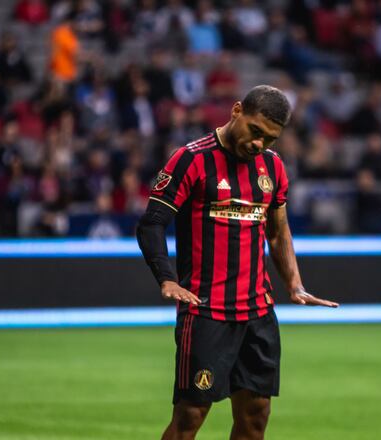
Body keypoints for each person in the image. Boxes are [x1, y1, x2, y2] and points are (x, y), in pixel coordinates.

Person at [136, 85, 338, 440]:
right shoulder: (191, 159)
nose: (260, 144)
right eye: (256, 131)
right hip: (206, 310)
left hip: (258, 313)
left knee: (256, 417)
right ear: (236, 111)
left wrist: (294, 283)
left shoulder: (272, 167)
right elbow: (151, 223)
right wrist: (166, 278)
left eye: (270, 139)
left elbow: (278, 232)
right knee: (190, 418)